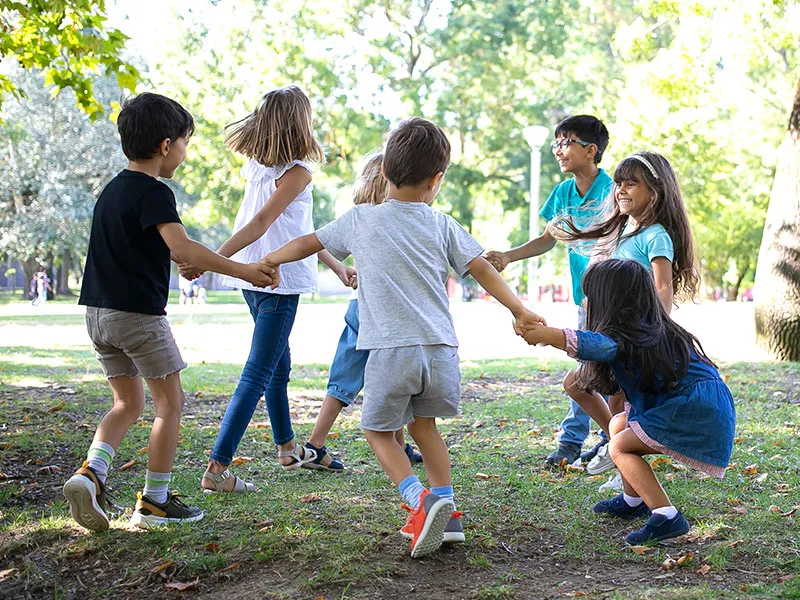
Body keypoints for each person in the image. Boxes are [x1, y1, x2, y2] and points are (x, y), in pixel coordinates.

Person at [261, 117, 545, 557]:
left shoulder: (361, 219)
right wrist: (520, 309)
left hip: (392, 350)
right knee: (425, 428)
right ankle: (448, 515)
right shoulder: (442, 223)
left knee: (376, 430)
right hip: (441, 350)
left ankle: (419, 500)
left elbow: (309, 242)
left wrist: (272, 259)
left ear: (384, 174)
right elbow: (482, 267)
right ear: (437, 180)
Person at [62, 92, 275, 532]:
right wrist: (245, 271)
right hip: (137, 318)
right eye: (184, 142)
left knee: (126, 402)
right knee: (169, 404)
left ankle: (92, 473)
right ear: (165, 146)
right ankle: (155, 501)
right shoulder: (155, 193)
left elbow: (153, 250)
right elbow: (181, 247)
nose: (185, 150)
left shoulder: (110, 192)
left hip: (98, 316)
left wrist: (190, 260)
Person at [190, 86, 355, 494]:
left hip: (254, 277)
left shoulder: (258, 168)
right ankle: (217, 467)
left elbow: (296, 229)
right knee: (259, 371)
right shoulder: (297, 172)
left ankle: (286, 448)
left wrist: (334, 264)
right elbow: (262, 223)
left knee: (278, 367)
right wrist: (210, 259)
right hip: (276, 281)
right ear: (301, 123)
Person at [516, 259, 735, 544]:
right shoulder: (648, 329)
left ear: (610, 302)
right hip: (696, 406)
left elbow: (596, 344)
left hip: (693, 410)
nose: (584, 303)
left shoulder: (627, 337)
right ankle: (633, 501)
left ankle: (667, 516)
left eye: (589, 297)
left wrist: (549, 335)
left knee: (619, 446)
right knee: (619, 424)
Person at [550, 151, 699, 480]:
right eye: (619, 183)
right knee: (577, 385)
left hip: (635, 337)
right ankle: (615, 444)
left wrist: (656, 332)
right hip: (609, 332)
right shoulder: (621, 231)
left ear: (654, 192)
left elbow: (662, 288)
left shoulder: (656, 235)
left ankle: (624, 461)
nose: (621, 190)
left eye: (632, 184)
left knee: (617, 402)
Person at [486, 115, 613, 468]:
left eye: (565, 142)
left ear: (591, 150)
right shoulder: (562, 193)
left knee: (593, 371)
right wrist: (508, 256)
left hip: (614, 301)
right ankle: (601, 438)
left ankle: (580, 441)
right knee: (586, 370)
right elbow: (547, 239)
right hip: (584, 300)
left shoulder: (613, 189)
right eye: (556, 143)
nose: (558, 150)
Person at [302, 153, 423, 472]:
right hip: (387, 313)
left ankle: (315, 444)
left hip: (360, 308)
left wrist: (345, 269)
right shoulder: (399, 218)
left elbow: (317, 241)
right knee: (395, 378)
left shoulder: (358, 217)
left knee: (343, 378)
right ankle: (397, 444)